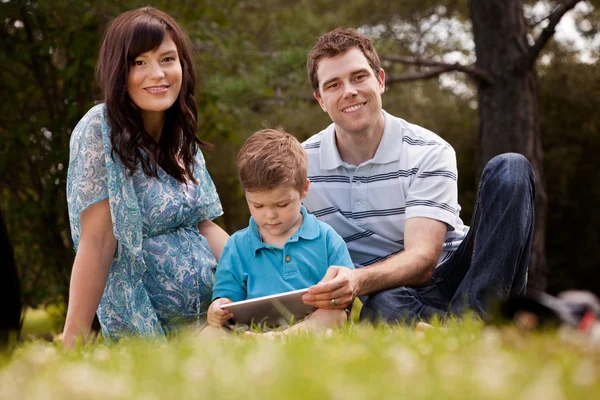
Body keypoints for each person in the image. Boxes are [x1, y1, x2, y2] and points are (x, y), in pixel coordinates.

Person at [300, 28, 535, 324]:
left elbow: (423, 261)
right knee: (383, 305)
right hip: (396, 292)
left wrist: (356, 281)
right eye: (333, 84)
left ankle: (477, 319)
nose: (349, 91)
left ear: (380, 81)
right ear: (321, 100)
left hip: (464, 272)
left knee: (511, 167)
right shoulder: (301, 164)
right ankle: (451, 328)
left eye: (359, 77)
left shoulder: (429, 150)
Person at [62, 7, 229, 347]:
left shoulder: (179, 131)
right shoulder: (99, 129)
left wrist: (259, 266)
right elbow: (97, 242)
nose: (158, 74)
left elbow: (203, 226)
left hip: (214, 316)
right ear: (118, 71)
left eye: (167, 59)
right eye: (139, 62)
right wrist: (72, 342)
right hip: (145, 326)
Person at [204, 129, 354, 337]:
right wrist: (218, 308)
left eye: (282, 204)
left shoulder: (327, 238)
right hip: (250, 329)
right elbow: (227, 298)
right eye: (257, 205)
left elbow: (345, 293)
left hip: (310, 324)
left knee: (335, 316)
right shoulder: (237, 245)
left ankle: (279, 339)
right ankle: (259, 342)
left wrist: (336, 291)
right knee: (209, 335)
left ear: (304, 189)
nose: (270, 215)